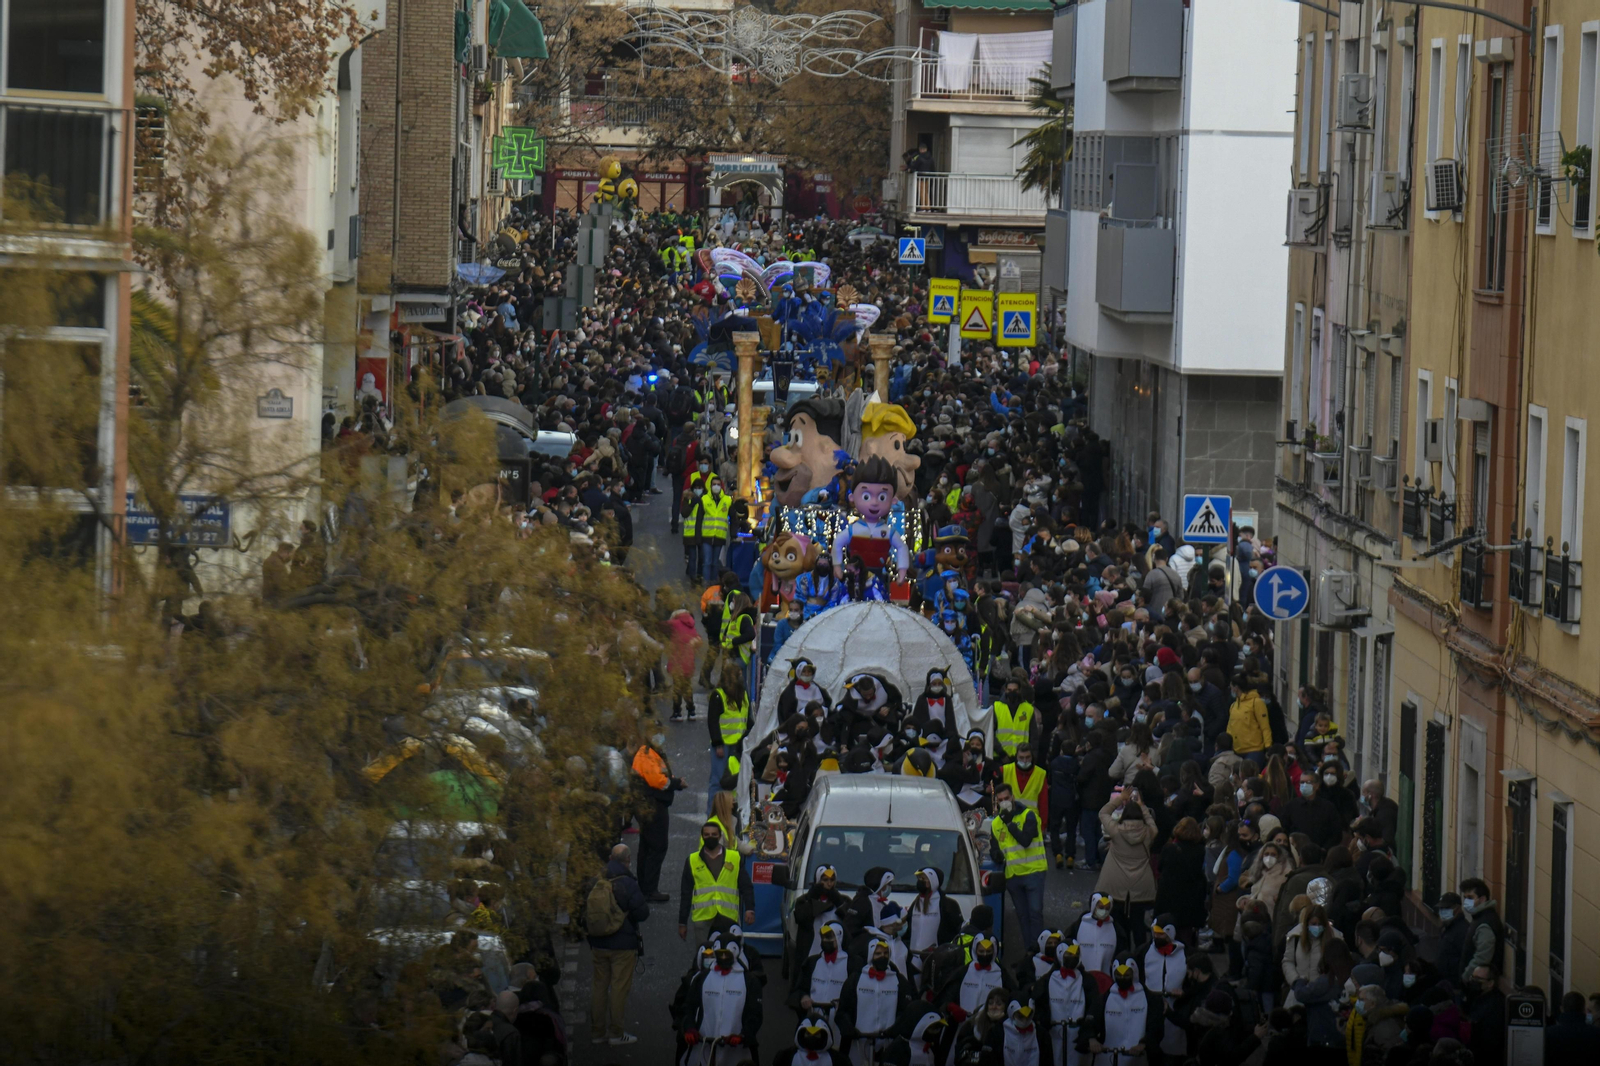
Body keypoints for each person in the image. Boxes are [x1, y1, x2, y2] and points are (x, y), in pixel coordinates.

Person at [585, 843, 649, 1046]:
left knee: (599, 987)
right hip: (623, 945)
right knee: (619, 989)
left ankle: (597, 1033)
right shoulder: (627, 883)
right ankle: (616, 1033)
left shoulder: (596, 879)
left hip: (598, 943)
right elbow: (642, 913)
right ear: (628, 860)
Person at [678, 933, 764, 1062]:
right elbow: (689, 1006)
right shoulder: (702, 978)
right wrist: (690, 1028)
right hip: (704, 1048)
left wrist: (744, 1035)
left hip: (737, 1051)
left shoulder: (749, 981)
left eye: (727, 954)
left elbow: (755, 1013)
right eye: (720, 954)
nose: (723, 958)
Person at [1096, 787, 1159, 952]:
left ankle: (1120, 958)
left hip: (1115, 884)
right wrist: (1142, 806)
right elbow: (1153, 824)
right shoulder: (1148, 833)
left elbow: (1103, 813)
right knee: (1138, 926)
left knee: (1118, 926)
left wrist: (1120, 799)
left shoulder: (1116, 831)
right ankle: (1140, 957)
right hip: (1140, 886)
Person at [678, 820, 755, 946]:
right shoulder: (692, 860)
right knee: (704, 957)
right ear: (702, 837)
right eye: (707, 835)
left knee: (730, 954)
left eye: (714, 835)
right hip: (703, 919)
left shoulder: (734, 858)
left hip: (728, 917)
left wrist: (750, 908)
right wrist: (682, 922)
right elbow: (685, 894)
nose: (710, 837)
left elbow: (746, 886)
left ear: (720, 836)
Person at [837, 936, 912, 1065]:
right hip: (858, 1043)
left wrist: (895, 1029)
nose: (882, 956)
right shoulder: (856, 979)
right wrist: (850, 1030)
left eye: (885, 953)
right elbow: (843, 1009)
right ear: (871, 955)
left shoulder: (899, 980)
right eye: (878, 954)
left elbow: (906, 1010)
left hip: (888, 1044)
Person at [992, 781, 1049, 950]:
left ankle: (1038, 953)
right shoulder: (996, 823)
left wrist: (1010, 824)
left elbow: (1025, 840)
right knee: (1023, 916)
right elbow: (995, 847)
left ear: (1013, 797)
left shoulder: (1028, 815)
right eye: (1000, 800)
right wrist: (996, 855)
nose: (1004, 802)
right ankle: (1029, 953)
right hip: (1013, 876)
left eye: (1007, 798)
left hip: (1034, 872)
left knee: (1035, 913)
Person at [630, 730, 686, 901]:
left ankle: (645, 887)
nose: (661, 737)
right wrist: (677, 783)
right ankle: (649, 890)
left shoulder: (650, 752)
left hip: (649, 805)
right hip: (652, 806)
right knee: (657, 847)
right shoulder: (646, 754)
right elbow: (658, 781)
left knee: (647, 847)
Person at [1081, 956, 1163, 1066]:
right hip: (1107, 1057)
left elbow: (1156, 1025)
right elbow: (1090, 1021)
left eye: (1127, 975)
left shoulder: (1150, 999)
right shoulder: (1104, 998)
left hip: (1139, 1058)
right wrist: (1091, 1039)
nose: (1123, 978)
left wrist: (1144, 1044)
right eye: (1118, 975)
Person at [1034, 941, 1100, 1066]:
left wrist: (1088, 1030)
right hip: (1054, 1033)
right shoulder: (1048, 979)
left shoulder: (1087, 980)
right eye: (1068, 955)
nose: (1072, 959)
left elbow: (1094, 1006)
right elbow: (1039, 1001)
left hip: (1078, 1034)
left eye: (1075, 955)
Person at [706, 663, 749, 812]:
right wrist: (718, 744)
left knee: (735, 780)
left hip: (738, 745)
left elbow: (747, 719)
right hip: (723, 746)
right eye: (739, 675)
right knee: (717, 782)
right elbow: (712, 721)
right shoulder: (718, 695)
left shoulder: (743, 694)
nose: (741, 678)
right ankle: (712, 815)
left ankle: (729, 811)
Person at [1457, 877, 1504, 986]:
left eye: (1470, 897)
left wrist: (1466, 977)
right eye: (1465, 898)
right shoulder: (1480, 918)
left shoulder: (1485, 923)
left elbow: (1482, 957)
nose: (1466, 902)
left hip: (1477, 985)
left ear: (1482, 899)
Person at [1226, 673, 1272, 765]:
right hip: (1237, 750)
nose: (1231, 690)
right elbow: (1230, 728)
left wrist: (1268, 747)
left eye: (1231, 687)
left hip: (1254, 750)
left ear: (1236, 688)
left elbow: (1265, 727)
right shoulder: (1234, 706)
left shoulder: (1256, 703)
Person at [1545, 991, 1600, 1061]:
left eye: (1589, 1011)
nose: (1588, 1014)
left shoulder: (1547, 1034)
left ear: (1562, 1009)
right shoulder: (1596, 1034)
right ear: (1583, 1010)